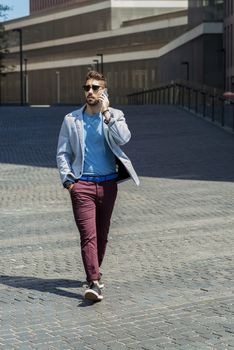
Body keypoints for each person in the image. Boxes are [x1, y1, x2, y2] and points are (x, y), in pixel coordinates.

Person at [56, 70, 139, 302]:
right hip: (82, 186)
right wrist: (68, 180)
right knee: (88, 236)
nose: (89, 92)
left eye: (95, 88)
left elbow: (124, 138)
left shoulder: (115, 115)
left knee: (102, 235)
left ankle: (95, 271)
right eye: (87, 88)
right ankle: (93, 282)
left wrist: (107, 114)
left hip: (108, 186)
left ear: (104, 92)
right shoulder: (71, 120)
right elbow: (62, 153)